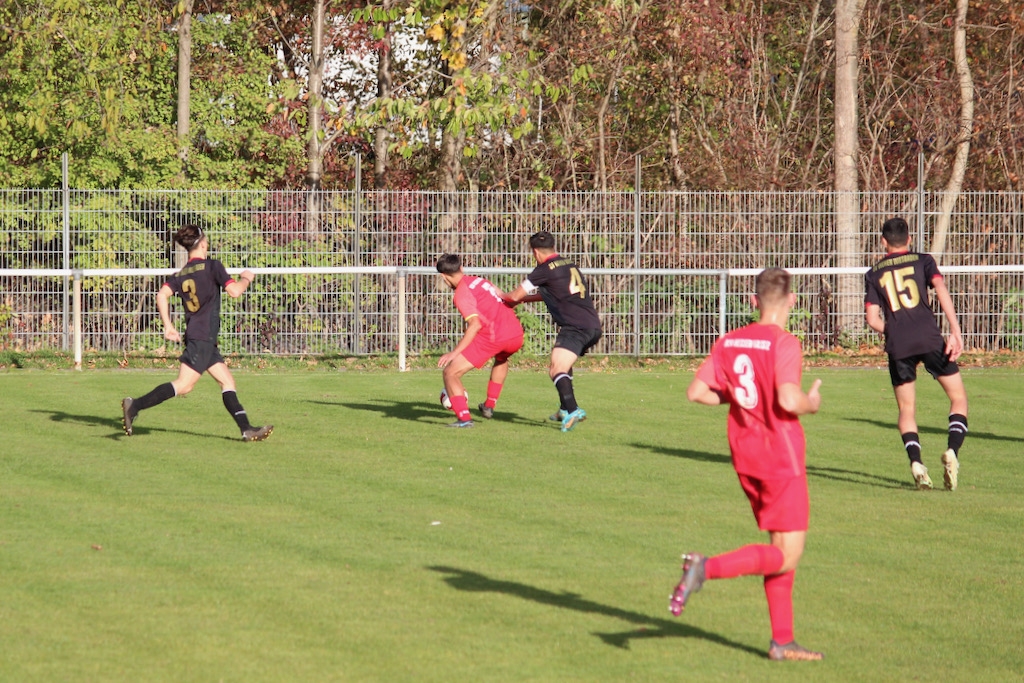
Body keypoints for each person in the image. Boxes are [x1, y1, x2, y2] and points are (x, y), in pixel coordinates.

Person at [675, 267, 824, 662]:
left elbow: (697, 392)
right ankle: (705, 568)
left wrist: (739, 397)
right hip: (781, 457)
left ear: (753, 300)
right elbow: (789, 400)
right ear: (792, 300)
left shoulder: (729, 340)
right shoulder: (785, 342)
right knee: (788, 555)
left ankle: (782, 642)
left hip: (746, 457)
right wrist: (811, 402)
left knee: (780, 547)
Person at [121, 224, 273, 442]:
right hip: (202, 337)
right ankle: (135, 405)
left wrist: (168, 325)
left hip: (203, 338)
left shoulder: (181, 274)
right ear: (203, 243)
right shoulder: (212, 266)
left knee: (227, 382)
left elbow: (161, 295)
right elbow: (235, 291)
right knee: (184, 385)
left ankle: (247, 429)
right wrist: (247, 278)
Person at [864, 216, 968, 491]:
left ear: (883, 242)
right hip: (929, 338)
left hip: (898, 345)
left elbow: (872, 319)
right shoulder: (923, 261)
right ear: (909, 239)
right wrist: (955, 330)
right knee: (958, 398)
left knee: (906, 408)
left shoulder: (874, 273)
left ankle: (916, 464)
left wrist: (894, 331)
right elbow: (941, 289)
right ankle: (952, 451)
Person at [502, 231, 602, 432]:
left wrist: (502, 297)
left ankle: (573, 411)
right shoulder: (568, 264)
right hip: (592, 325)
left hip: (575, 327)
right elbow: (551, 293)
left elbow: (515, 295)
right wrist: (521, 300)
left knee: (556, 369)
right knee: (564, 365)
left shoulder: (544, 269)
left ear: (535, 252)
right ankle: (564, 409)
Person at [436, 254, 525, 428]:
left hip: (493, 337)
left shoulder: (461, 294)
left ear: (444, 277)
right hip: (515, 334)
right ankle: (489, 405)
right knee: (502, 358)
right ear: (461, 268)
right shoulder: (481, 281)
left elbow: (475, 325)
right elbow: (507, 299)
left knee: (450, 373)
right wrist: (538, 297)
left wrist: (454, 353)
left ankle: (464, 419)